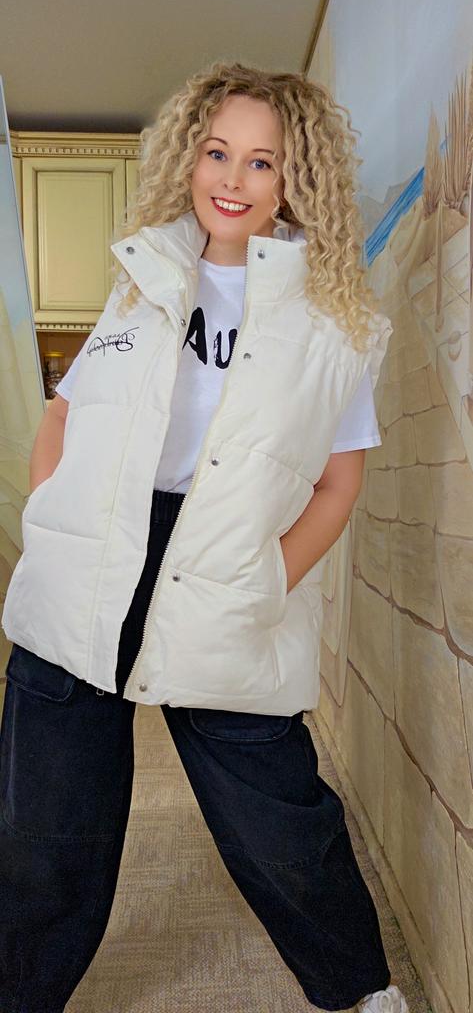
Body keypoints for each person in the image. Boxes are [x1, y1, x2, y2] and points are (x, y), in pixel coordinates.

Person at [0, 61, 409, 1013]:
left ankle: (361, 993)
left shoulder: (337, 324)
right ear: (188, 157)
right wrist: (51, 523)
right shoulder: (142, 278)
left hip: (227, 563)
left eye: (262, 161)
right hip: (90, 557)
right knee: (44, 824)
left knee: (279, 815)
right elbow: (65, 409)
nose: (232, 178)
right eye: (217, 152)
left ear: (295, 179)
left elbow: (338, 482)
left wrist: (268, 579)